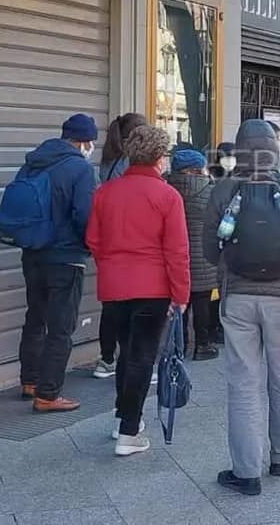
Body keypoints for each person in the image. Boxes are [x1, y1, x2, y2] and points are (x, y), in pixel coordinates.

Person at [203, 119, 280, 497]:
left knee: (243, 383)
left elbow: (207, 249)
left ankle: (245, 471)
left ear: (239, 149)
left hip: (237, 297)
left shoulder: (222, 189)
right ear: (275, 149)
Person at [87, 126, 190, 456]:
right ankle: (129, 431)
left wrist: (111, 266)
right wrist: (181, 294)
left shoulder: (105, 192)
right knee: (143, 356)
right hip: (153, 287)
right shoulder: (167, 196)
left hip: (114, 285)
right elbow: (177, 251)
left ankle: (123, 418)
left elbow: (93, 240)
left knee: (126, 353)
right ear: (160, 158)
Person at [16, 114, 98, 412]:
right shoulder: (80, 169)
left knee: (35, 317)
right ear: (84, 141)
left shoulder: (33, 162)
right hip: (65, 257)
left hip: (33, 252)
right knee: (61, 327)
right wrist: (90, 247)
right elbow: (85, 216)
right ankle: (48, 394)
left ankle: (30, 380)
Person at [93, 112, 147, 379]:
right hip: (132, 242)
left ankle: (106, 359)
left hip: (110, 243)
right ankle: (133, 363)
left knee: (111, 307)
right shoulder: (130, 162)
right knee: (136, 309)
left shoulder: (107, 160)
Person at [167, 148, 220, 360]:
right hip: (203, 255)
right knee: (202, 302)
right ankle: (202, 345)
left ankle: (180, 345)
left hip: (175, 254)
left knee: (180, 303)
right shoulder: (211, 190)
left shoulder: (167, 188)